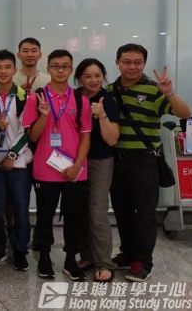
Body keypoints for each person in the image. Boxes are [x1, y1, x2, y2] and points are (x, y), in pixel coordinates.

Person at [107, 44, 191, 282]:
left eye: (138, 62)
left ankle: (143, 262)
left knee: (144, 212)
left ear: (144, 63)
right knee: (122, 210)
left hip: (144, 160)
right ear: (117, 62)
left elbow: (185, 113)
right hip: (117, 159)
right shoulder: (110, 90)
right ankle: (127, 253)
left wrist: (169, 93)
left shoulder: (154, 89)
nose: (132, 66)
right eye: (127, 62)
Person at [22, 49, 91, 282]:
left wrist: (77, 166)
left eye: (65, 66)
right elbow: (33, 136)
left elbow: (86, 137)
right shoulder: (36, 98)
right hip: (45, 170)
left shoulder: (81, 100)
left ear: (71, 69)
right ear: (48, 68)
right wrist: (43, 115)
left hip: (75, 171)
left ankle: (71, 259)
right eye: (55, 66)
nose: (60, 70)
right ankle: (44, 257)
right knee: (44, 216)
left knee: (74, 217)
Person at [0, 49, 33, 272]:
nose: (3, 71)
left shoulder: (24, 97)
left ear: (14, 69)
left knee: (21, 209)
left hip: (18, 163)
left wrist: (13, 155)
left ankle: (20, 250)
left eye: (7, 67)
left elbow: (28, 131)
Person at [74, 58, 120, 283]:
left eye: (98, 76)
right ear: (79, 78)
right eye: (88, 76)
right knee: (81, 210)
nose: (93, 80)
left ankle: (104, 263)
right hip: (75, 160)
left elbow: (112, 139)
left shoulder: (108, 100)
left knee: (97, 211)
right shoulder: (74, 97)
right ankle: (88, 256)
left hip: (100, 161)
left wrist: (101, 115)